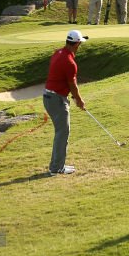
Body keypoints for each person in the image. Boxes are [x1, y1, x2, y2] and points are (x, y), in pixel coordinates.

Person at [43, 29, 88, 175]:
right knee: (62, 133)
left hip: (49, 97)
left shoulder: (58, 53)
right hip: (56, 100)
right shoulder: (70, 62)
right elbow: (72, 85)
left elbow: (63, 80)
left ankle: (57, 165)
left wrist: (74, 98)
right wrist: (79, 100)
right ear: (77, 44)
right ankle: (56, 168)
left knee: (61, 132)